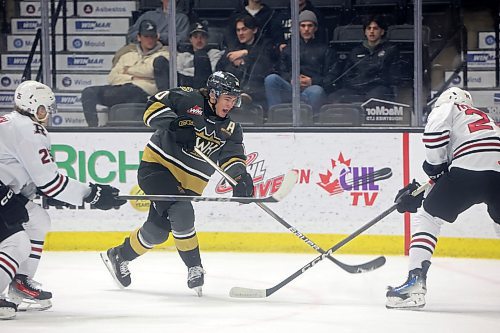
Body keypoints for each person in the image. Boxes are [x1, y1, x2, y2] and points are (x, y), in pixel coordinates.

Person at [100, 71, 255, 297]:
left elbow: (232, 159)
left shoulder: (231, 129)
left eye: (234, 100)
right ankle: (194, 266)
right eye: (227, 99)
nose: (230, 105)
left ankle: (119, 255)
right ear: (213, 94)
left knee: (157, 233)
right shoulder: (188, 98)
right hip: (157, 169)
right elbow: (152, 107)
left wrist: (240, 177)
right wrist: (176, 124)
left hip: (189, 184)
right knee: (182, 210)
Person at [0, 81, 126, 319]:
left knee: (37, 220)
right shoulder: (29, 129)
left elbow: (27, 180)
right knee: (17, 244)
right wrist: (93, 195)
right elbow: (50, 182)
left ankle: (20, 282)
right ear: (33, 106)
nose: (48, 113)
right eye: (45, 107)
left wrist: (57, 194)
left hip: (4, 190)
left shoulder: (11, 122)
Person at [386, 87, 500, 310]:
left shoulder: (448, 107)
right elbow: (466, 161)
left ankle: (414, 285)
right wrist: (424, 191)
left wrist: (434, 169)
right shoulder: (487, 121)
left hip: (469, 167)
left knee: (429, 216)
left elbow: (435, 138)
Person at [81, 20, 170, 127]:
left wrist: (128, 70)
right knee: (89, 92)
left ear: (157, 37)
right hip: (122, 88)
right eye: (146, 36)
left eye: (152, 36)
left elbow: (150, 71)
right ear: (139, 37)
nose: (150, 40)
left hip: (144, 92)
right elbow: (112, 77)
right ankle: (92, 128)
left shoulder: (165, 54)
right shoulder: (128, 55)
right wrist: (133, 77)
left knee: (130, 90)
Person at [264, 10, 331, 116]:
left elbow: (332, 77)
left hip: (312, 89)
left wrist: (312, 81)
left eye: (310, 25)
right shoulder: (289, 49)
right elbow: (280, 70)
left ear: (316, 28)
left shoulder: (326, 50)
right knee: (271, 79)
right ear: (298, 28)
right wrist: (291, 79)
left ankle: (309, 121)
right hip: (290, 88)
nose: (306, 29)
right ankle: (276, 117)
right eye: (303, 25)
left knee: (317, 91)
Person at [326, 15, 400, 103]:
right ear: (365, 32)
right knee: (334, 97)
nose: (371, 31)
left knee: (373, 99)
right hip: (356, 89)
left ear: (382, 31)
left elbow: (392, 76)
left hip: (379, 89)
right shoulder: (355, 51)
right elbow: (347, 76)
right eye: (369, 28)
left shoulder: (390, 50)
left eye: (375, 28)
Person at [216, 15, 275, 110]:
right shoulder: (234, 47)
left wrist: (246, 53)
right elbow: (220, 67)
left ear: (254, 30)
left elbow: (266, 61)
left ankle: (245, 97)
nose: (241, 33)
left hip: (258, 90)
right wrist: (235, 64)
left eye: (244, 29)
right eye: (238, 30)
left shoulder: (265, 44)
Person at [112, 0, 190, 66]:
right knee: (121, 54)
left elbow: (182, 39)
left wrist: (160, 37)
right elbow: (131, 34)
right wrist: (144, 37)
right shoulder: (148, 15)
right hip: (140, 47)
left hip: (164, 48)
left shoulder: (182, 18)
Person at [176, 22, 224, 88]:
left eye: (202, 37)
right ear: (190, 39)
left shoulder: (214, 54)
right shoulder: (182, 56)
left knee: (200, 55)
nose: (199, 40)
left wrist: (187, 71)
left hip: (206, 88)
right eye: (195, 37)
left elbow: (212, 71)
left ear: (207, 39)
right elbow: (178, 73)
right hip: (185, 87)